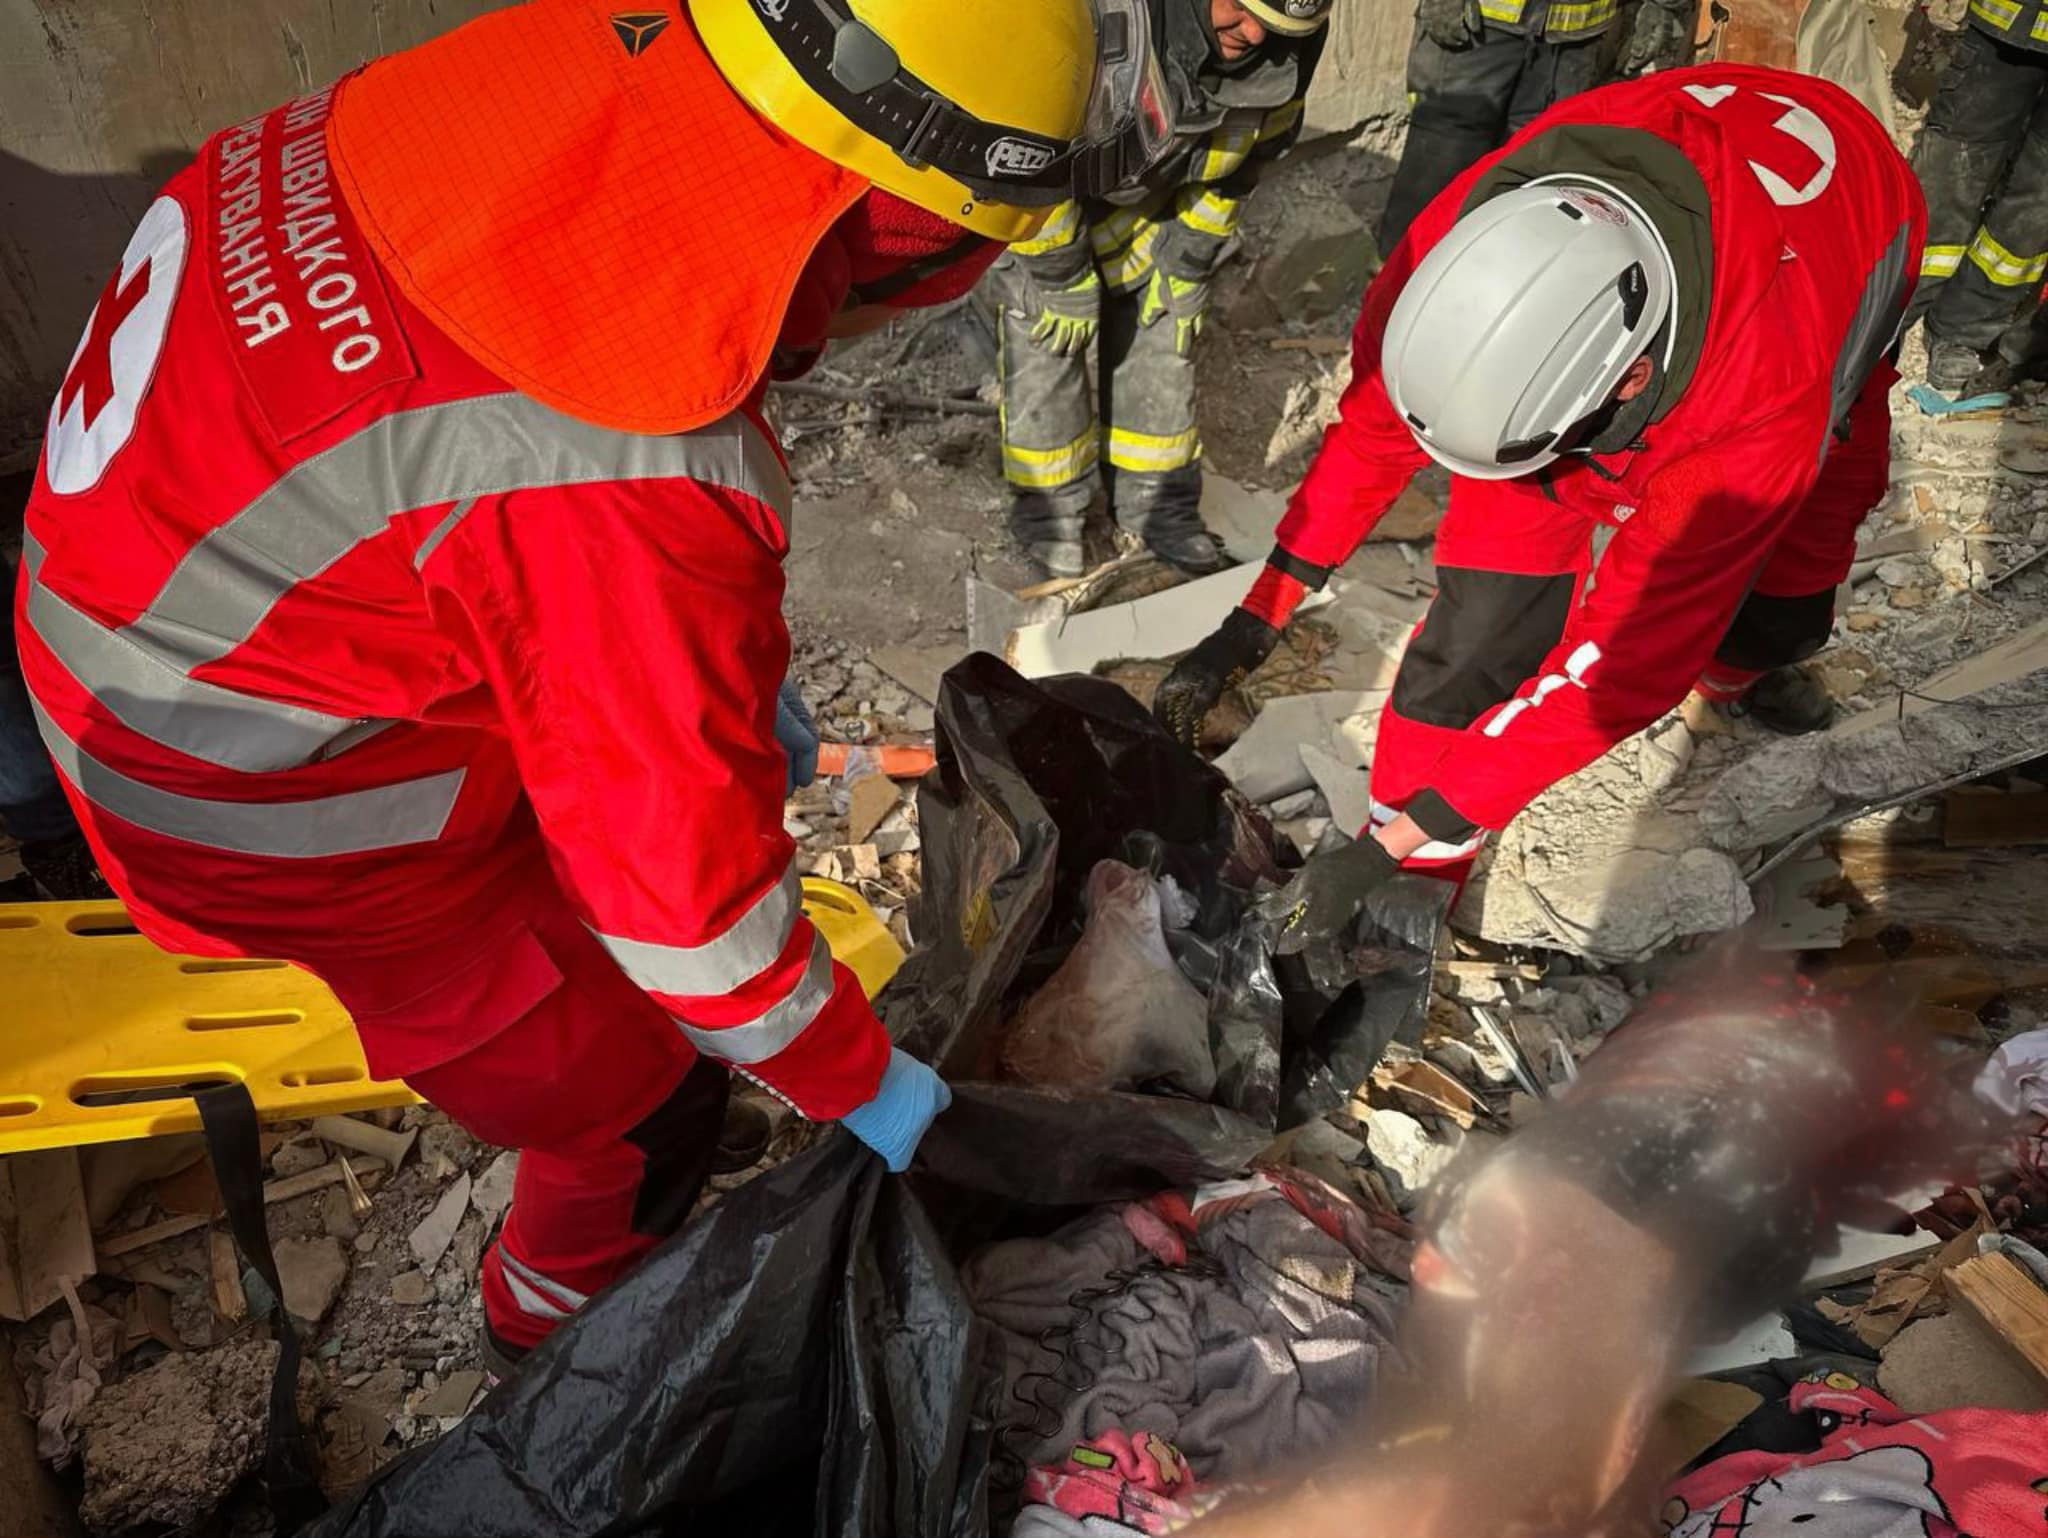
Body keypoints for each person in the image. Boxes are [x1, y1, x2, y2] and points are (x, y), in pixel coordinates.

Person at [16, 0, 1163, 1373]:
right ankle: (546, 1343)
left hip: (149, 581)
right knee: (635, 1103)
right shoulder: (623, 460)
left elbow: (473, 509)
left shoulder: (524, 74)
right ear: (911, 225)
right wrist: (901, 1105)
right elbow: (693, 934)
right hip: (252, 791)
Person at [1154, 64, 1921, 968]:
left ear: (1630, 381)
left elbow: (1621, 669)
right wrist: (1260, 614)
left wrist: (1381, 850)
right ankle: (1420, 884)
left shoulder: (1756, 409)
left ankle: (1744, 672)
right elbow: (1374, 429)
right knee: (1478, 631)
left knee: (1799, 557)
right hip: (1677, 179)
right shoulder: (1464, 254)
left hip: (1851, 236)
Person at [993, 0, 1330, 579]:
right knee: (1045, 323)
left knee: (1170, 320)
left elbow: (1247, 164)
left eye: (1272, 27)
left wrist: (1190, 261)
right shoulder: (1092, 17)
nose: (1251, 35)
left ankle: (1158, 504)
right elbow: (1020, 156)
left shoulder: (1287, 42)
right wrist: (1061, 275)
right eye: (1241, 8)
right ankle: (1052, 515)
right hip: (1042, 200)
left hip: (1153, 195)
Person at [1373, 0, 1698, 255]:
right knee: (1434, 175)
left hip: (1576, 42)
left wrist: (1667, 5)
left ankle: (1486, 310)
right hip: (1478, 25)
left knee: (1530, 190)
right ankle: (1384, 309)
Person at [1907, 14, 2048, 394]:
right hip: (2011, 23)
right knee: (1953, 165)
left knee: (2038, 201)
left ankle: (1966, 326)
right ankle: (1891, 306)